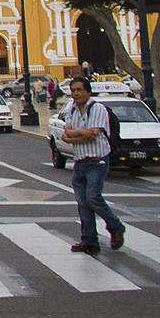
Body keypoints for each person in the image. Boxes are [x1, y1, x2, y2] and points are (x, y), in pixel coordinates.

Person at [59, 76, 126, 255]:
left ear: (88, 92)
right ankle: (89, 240)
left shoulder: (97, 109)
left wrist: (75, 134)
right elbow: (65, 136)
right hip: (80, 162)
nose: (76, 93)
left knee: (93, 198)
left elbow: (93, 135)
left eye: (79, 90)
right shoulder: (71, 110)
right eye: (73, 90)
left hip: (98, 161)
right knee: (82, 203)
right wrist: (80, 133)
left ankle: (116, 226)